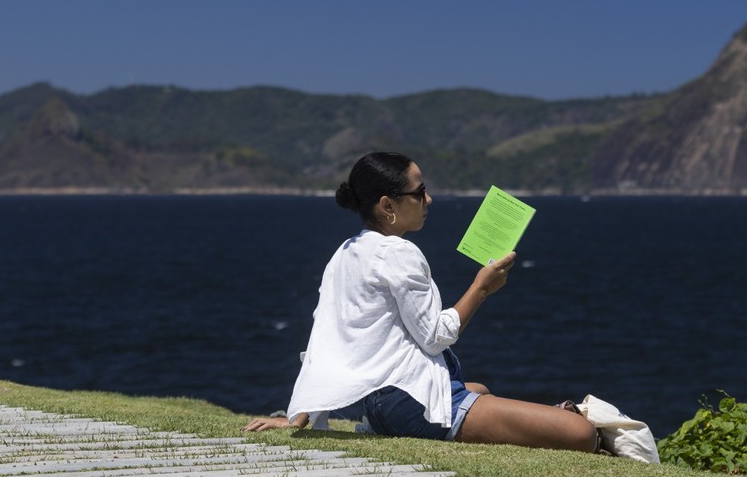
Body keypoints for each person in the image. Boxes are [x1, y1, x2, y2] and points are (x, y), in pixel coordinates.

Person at [243, 151, 597, 451]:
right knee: (581, 433)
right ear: (388, 205)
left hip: (381, 404)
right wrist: (481, 287)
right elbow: (434, 338)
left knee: (480, 389)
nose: (428, 200)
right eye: (420, 191)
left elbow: (327, 341)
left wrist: (300, 416)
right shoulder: (399, 252)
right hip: (407, 407)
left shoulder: (345, 252)